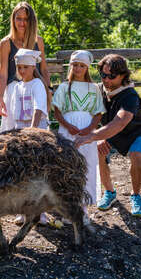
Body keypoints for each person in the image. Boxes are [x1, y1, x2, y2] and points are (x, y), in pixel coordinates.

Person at [75, 54, 141, 217]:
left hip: (135, 131)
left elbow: (120, 122)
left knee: (138, 156)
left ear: (123, 76)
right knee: (99, 151)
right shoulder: (98, 91)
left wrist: (92, 136)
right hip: (110, 131)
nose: (106, 79)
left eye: (112, 76)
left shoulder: (129, 96)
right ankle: (109, 192)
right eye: (103, 75)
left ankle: (136, 195)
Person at [52, 50, 105, 224]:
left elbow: (98, 112)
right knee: (67, 164)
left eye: (82, 65)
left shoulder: (94, 88)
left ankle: (83, 208)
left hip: (86, 130)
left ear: (87, 67)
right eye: (75, 64)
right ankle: (68, 206)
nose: (78, 68)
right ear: (71, 66)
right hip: (68, 129)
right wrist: (68, 126)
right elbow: (57, 112)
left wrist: (90, 128)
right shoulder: (63, 87)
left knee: (87, 164)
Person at [8, 48, 50, 225]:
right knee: (21, 172)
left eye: (25, 67)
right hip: (20, 128)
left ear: (33, 67)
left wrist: (32, 131)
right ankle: (23, 211)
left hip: (35, 130)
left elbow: (38, 108)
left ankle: (41, 213)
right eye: (19, 67)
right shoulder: (18, 86)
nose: (22, 70)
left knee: (37, 171)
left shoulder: (37, 85)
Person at [0, 1, 50, 132]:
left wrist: (48, 91)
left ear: (31, 21)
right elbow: (3, 74)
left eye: (26, 19)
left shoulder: (39, 41)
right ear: (13, 19)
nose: (22, 23)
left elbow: (43, 69)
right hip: (13, 92)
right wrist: (0, 99)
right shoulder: (6, 43)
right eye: (18, 18)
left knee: (37, 130)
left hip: (35, 89)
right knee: (11, 133)